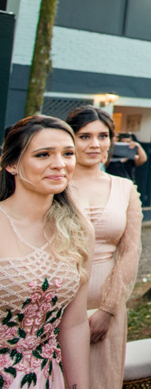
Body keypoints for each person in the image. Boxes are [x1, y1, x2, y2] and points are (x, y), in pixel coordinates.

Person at [0, 116, 91, 388]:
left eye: (68, 154)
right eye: (43, 155)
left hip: (46, 377)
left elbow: (74, 325)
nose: (60, 164)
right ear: (12, 164)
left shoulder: (79, 230)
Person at [67, 105, 143, 389]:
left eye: (103, 136)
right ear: (70, 139)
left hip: (106, 312)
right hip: (57, 308)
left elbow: (130, 250)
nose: (95, 144)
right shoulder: (54, 185)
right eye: (85, 136)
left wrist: (108, 310)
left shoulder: (125, 189)